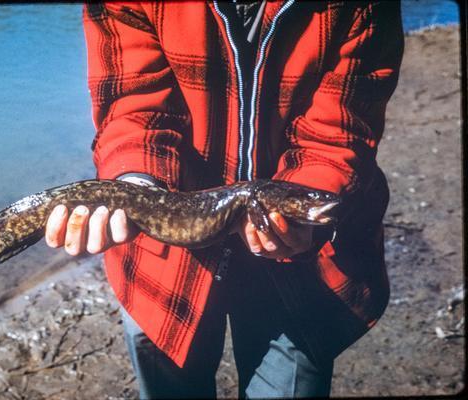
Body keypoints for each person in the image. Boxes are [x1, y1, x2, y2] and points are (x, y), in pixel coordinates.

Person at [45, 1, 403, 398]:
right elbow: (132, 104)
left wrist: (314, 198)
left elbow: (338, 131)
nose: (317, 203)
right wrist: (135, 178)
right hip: (161, 266)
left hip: (302, 273)